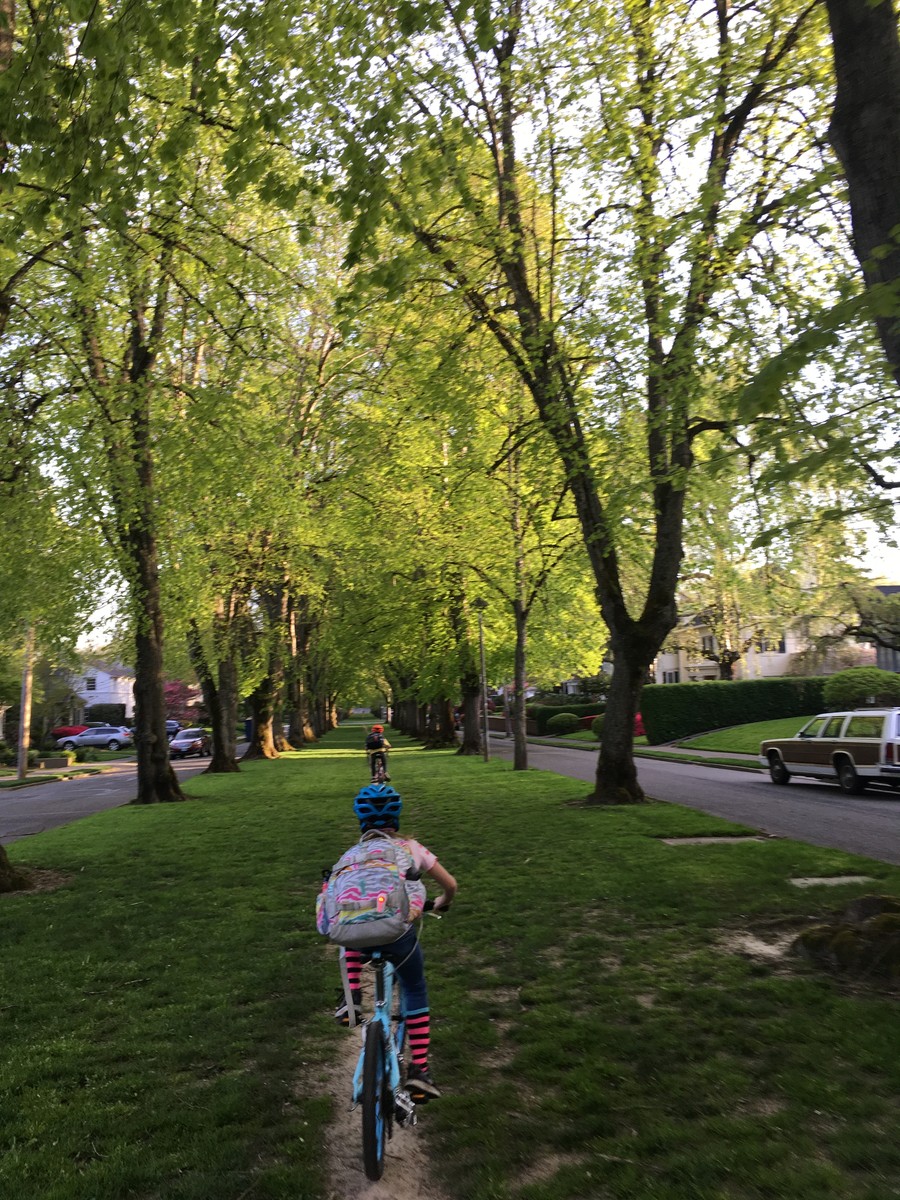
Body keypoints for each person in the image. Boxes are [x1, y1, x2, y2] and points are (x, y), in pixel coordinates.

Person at [331, 783, 457, 1101]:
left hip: (355, 936)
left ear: (361, 822)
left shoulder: (352, 854)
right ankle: (420, 1071)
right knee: (414, 988)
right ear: (397, 818)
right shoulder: (412, 848)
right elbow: (451, 884)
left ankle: (353, 999)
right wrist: (443, 900)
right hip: (399, 936)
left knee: (352, 930)